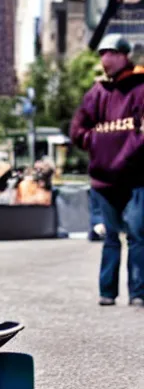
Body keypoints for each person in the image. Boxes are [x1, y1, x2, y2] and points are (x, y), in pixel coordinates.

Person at [70, 34, 144, 307]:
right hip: (104, 180)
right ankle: (107, 292)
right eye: (101, 53)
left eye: (110, 53)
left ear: (124, 56)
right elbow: (78, 130)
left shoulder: (140, 88)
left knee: (138, 235)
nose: (104, 59)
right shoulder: (96, 93)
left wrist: (122, 149)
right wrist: (101, 143)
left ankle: (138, 293)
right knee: (110, 237)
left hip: (137, 178)